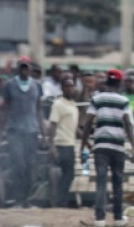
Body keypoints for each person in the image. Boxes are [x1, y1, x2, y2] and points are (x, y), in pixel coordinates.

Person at [80, 69, 134, 227]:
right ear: (119, 83)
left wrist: (83, 144)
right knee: (118, 183)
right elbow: (128, 125)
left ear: (107, 82)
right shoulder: (123, 101)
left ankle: (100, 219)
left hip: (101, 147)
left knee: (101, 182)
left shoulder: (96, 99)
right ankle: (118, 219)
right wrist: (133, 147)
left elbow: (88, 123)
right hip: (118, 147)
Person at [0, 56, 47, 208]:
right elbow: (5, 109)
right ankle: (18, 198)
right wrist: (1, 131)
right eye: (22, 67)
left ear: (31, 69)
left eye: (27, 67)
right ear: (18, 68)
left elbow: (39, 110)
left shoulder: (37, 86)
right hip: (14, 130)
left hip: (31, 130)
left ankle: (27, 199)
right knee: (17, 164)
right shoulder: (9, 85)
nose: (25, 70)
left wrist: (43, 133)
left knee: (30, 165)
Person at [49, 76, 80, 207]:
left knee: (69, 174)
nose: (70, 88)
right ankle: (59, 201)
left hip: (70, 143)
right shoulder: (58, 104)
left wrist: (86, 142)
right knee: (62, 174)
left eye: (71, 86)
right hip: (61, 143)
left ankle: (62, 200)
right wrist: (51, 145)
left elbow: (75, 126)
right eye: (67, 86)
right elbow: (53, 124)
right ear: (62, 88)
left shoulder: (73, 104)